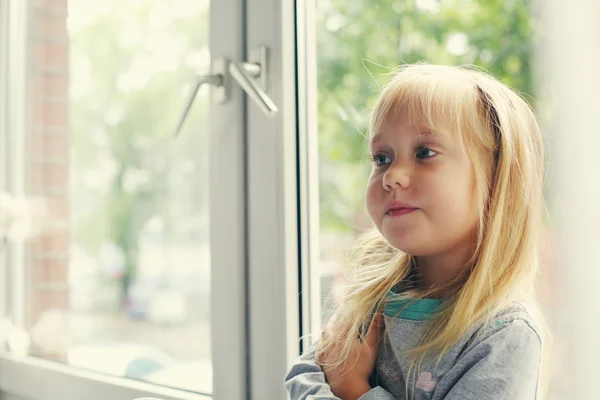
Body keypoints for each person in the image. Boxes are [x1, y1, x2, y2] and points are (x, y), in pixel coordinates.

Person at [284, 64, 548, 400]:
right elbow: (302, 376)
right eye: (381, 158)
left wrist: (351, 389)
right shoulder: (372, 295)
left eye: (425, 153)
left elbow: (326, 381)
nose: (392, 175)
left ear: (496, 182)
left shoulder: (504, 335)